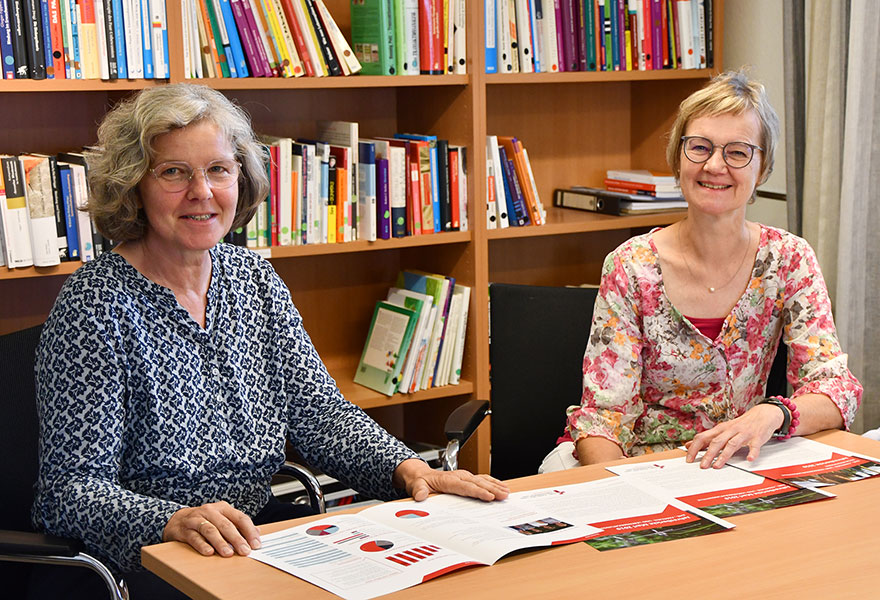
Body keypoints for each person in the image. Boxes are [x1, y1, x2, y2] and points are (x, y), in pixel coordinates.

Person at [31, 83, 508, 598]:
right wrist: (172, 520)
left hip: (261, 536)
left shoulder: (252, 278)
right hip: (153, 559)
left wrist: (411, 469)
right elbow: (69, 492)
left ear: (242, 178)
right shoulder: (94, 305)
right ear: (133, 186)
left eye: (218, 169)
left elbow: (320, 414)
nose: (202, 192)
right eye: (173, 172)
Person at [540, 70, 862, 474]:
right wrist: (622, 494)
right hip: (639, 463)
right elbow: (604, 419)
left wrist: (770, 415)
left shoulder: (789, 258)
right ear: (678, 157)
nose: (714, 165)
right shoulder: (630, 265)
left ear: (762, 169)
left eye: (738, 152)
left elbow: (835, 388)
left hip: (735, 459)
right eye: (700, 147)